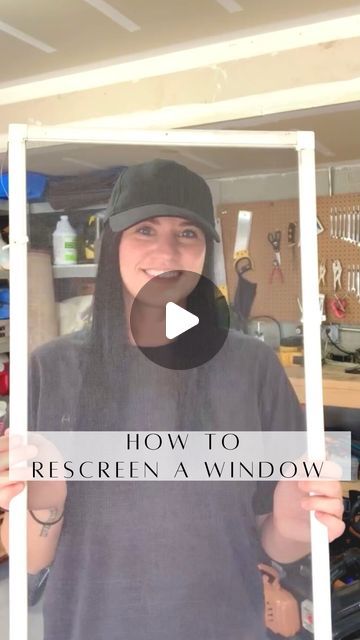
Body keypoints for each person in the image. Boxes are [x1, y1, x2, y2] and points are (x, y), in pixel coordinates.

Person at [0, 159, 345, 640]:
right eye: (145, 229)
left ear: (206, 251)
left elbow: (276, 539)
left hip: (226, 625)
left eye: (188, 233)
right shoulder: (50, 369)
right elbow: (31, 557)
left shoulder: (252, 367)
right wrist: (46, 501)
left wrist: (293, 525)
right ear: (112, 244)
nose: (167, 250)